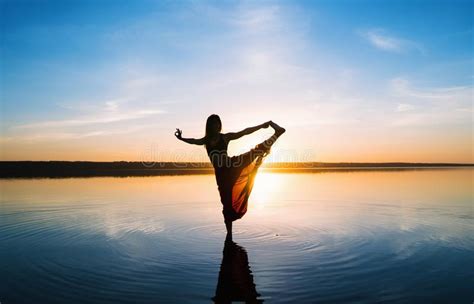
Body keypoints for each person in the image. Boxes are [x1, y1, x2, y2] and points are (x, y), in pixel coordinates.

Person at [175, 114, 285, 240]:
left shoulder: (225, 137)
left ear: (219, 125)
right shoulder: (206, 140)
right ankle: (229, 234)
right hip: (221, 177)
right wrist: (181, 138)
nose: (215, 125)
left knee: (254, 153)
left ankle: (277, 133)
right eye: (212, 123)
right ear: (209, 126)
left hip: (232, 166)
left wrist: (261, 126)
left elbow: (244, 132)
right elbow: (193, 141)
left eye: (217, 123)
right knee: (226, 205)